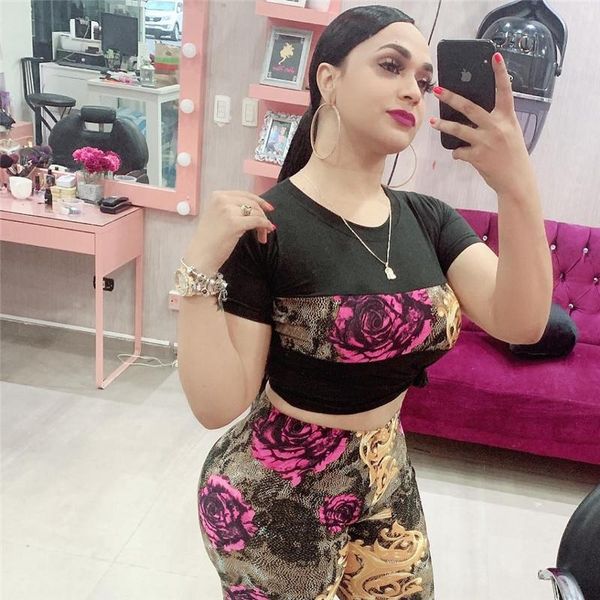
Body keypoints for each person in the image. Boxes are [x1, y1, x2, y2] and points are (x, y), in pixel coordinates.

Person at [177, 5, 551, 599]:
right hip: (274, 497)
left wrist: (517, 183)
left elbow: (523, 321)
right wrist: (199, 268)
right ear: (328, 79)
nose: (413, 90)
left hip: (385, 472)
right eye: (390, 66)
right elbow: (218, 404)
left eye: (423, 80)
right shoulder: (268, 225)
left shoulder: (429, 220)